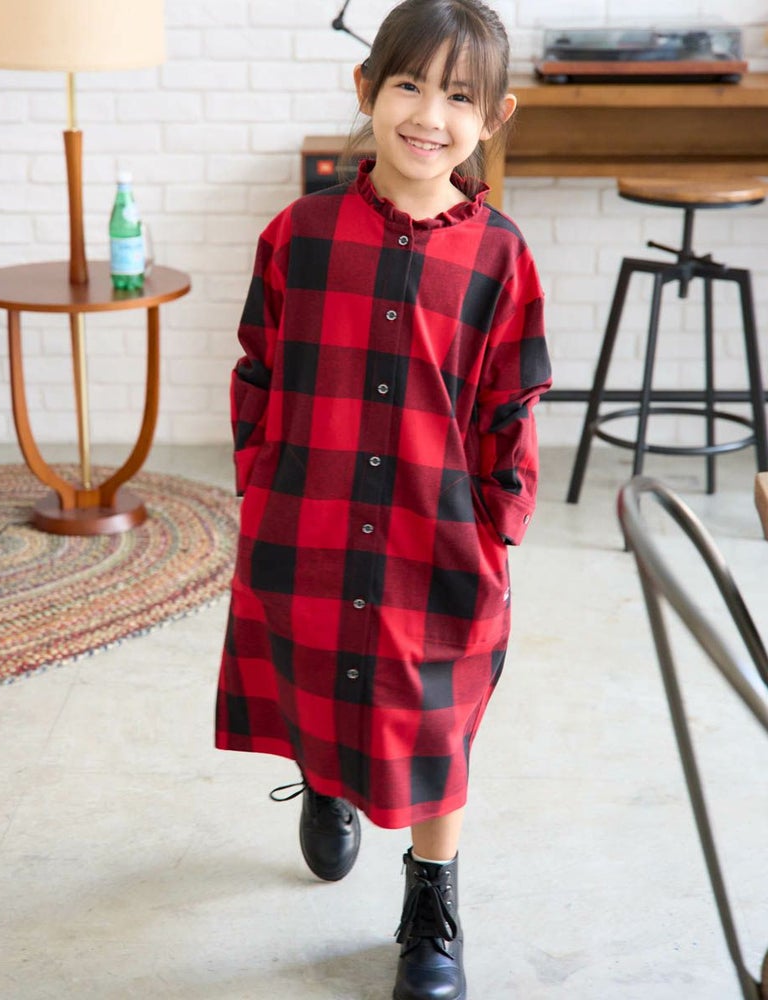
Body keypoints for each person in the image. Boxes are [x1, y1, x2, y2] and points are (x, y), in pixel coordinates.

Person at [215, 1, 551, 996]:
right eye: (408, 85)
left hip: (436, 537)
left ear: (493, 116)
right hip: (310, 522)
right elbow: (256, 367)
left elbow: (512, 402)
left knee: (437, 722)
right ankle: (326, 777)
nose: (428, 116)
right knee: (320, 672)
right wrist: (260, 480)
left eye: (459, 97)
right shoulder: (299, 235)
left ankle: (431, 906)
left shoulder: (499, 257)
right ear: (365, 89)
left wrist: (496, 528)